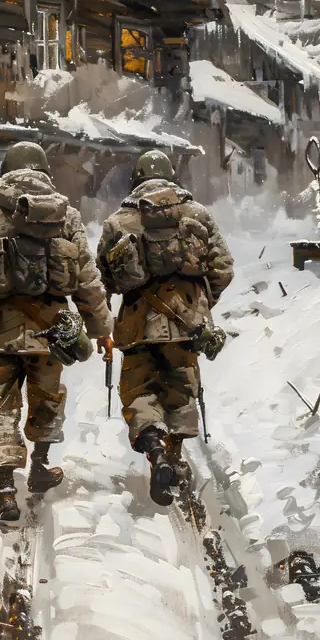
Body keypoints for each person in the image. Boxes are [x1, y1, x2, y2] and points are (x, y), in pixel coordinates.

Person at [0, 142, 113, 522]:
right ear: (44, 170)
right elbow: (86, 278)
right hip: (51, 330)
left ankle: (6, 489)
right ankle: (41, 466)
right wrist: (101, 329)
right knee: (47, 396)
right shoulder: (67, 215)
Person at [97, 150, 234, 506]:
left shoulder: (119, 222)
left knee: (139, 391)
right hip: (186, 328)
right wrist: (201, 304)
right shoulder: (197, 215)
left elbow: (104, 279)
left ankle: (155, 451)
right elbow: (222, 269)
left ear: (136, 180)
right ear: (172, 177)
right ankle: (174, 457)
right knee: (181, 390)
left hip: (137, 326)